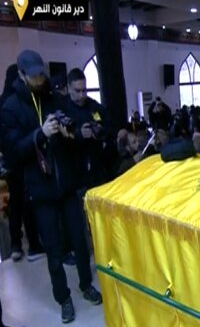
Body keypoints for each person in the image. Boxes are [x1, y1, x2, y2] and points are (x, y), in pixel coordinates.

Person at [0, 50, 102, 323]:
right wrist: (39, 134)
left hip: (67, 183)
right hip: (41, 189)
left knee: (80, 242)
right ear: (22, 75)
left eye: (41, 74)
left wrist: (74, 132)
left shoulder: (53, 97)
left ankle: (84, 284)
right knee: (54, 250)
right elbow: (13, 151)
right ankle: (63, 298)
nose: (39, 79)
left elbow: (71, 132)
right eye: (33, 76)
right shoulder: (11, 107)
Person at [0, 64, 44, 262]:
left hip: (10, 161)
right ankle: (33, 244)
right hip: (22, 159)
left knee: (15, 204)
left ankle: (16, 245)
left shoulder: (4, 102)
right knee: (26, 202)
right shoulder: (16, 103)